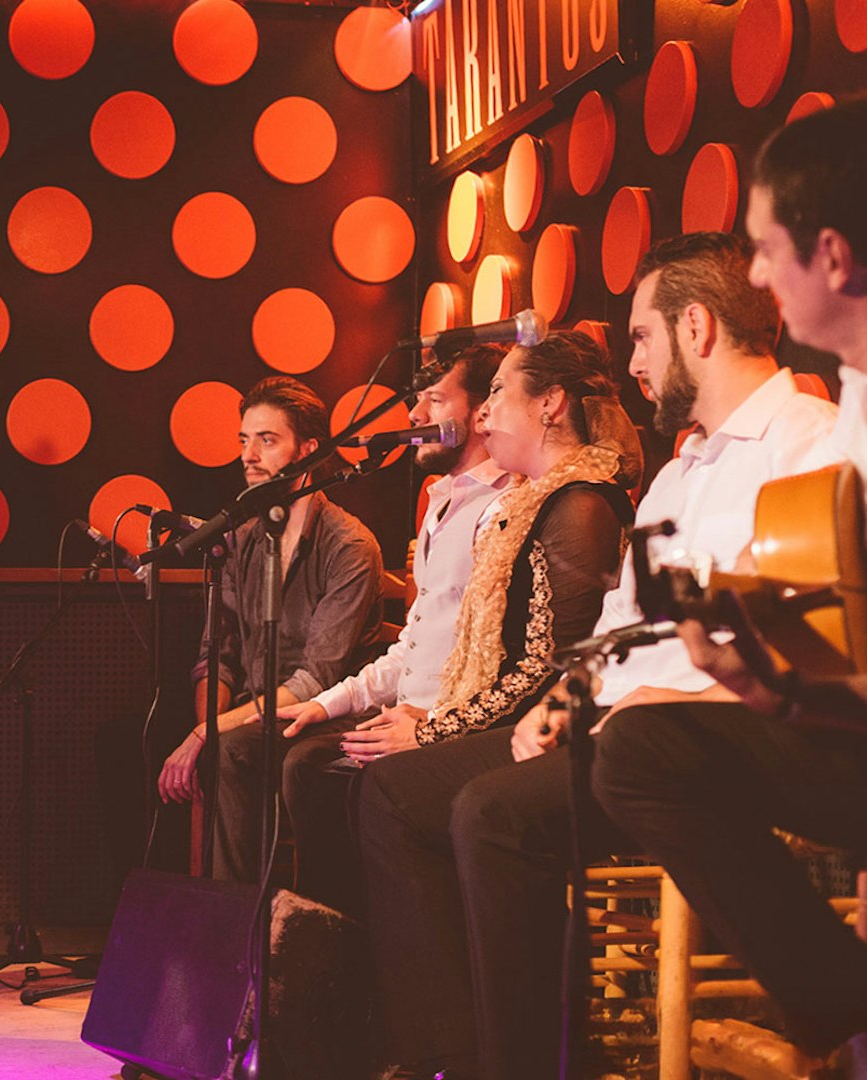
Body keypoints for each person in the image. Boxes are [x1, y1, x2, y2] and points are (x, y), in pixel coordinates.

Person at [350, 233, 838, 1079]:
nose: (634, 362)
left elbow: (817, 645)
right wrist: (565, 696)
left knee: (491, 813)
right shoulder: (683, 472)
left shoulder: (811, 443)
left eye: (643, 336)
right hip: (617, 730)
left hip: (714, 746)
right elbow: (617, 625)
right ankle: (443, 1053)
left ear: (696, 328)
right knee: (393, 790)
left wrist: (662, 707)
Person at [594, 100, 867, 1072]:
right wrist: (769, 681)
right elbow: (836, 643)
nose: (754, 275)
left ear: (831, 256)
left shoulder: (813, 428)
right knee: (637, 748)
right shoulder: (850, 405)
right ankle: (845, 1013)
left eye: (763, 248)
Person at [353, 330, 640, 1079]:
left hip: (555, 729)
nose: (483, 418)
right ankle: (428, 1037)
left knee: (398, 790)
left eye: (501, 396)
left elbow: (549, 671)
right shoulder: (531, 505)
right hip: (518, 718)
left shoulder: (580, 504)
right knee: (372, 782)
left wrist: (435, 730)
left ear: (550, 404)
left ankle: (453, 1047)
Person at [265, 344, 510, 911]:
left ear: (480, 413)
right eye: (415, 402)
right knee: (304, 755)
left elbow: (493, 650)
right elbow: (414, 643)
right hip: (403, 714)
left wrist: (432, 725)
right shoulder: (440, 500)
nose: (415, 418)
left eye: (434, 400)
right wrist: (328, 703)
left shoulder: (504, 507)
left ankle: (357, 952)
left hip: (449, 724)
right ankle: (333, 948)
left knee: (315, 770)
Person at [155, 376, 384, 890]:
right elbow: (219, 654)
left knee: (233, 752)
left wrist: (208, 736)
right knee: (138, 743)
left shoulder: (350, 547)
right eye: (243, 440)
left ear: (308, 450)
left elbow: (314, 681)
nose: (248, 455)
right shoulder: (242, 538)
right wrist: (206, 729)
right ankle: (179, 925)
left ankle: (234, 932)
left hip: (326, 716)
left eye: (266, 440)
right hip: (254, 710)